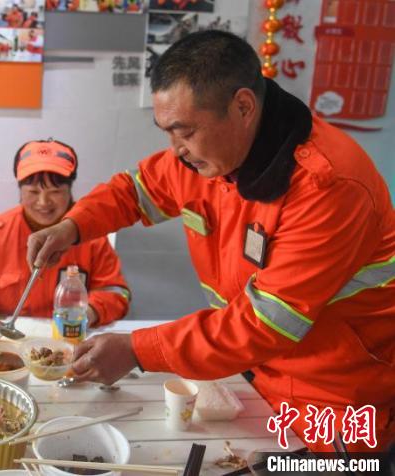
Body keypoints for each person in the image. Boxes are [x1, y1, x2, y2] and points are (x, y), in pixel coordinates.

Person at [27, 31, 395, 452]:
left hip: (331, 405)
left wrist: (137, 350)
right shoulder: (210, 154)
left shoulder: (328, 187)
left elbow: (263, 323)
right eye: (167, 131)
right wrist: (71, 226)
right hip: (251, 377)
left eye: (183, 132)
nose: (175, 150)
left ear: (242, 107)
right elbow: (133, 192)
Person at [0, 139, 130, 327]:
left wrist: (91, 311)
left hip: (70, 337)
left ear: (70, 191)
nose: (43, 202)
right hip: (9, 341)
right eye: (33, 192)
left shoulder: (92, 236)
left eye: (55, 191)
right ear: (20, 190)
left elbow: (115, 292)